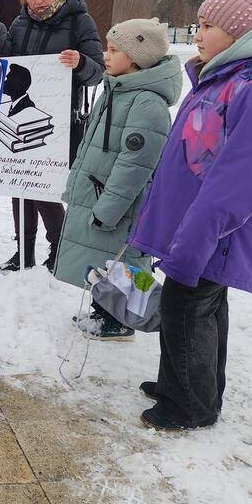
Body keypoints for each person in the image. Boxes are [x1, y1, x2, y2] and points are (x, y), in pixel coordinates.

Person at [129, 0, 252, 431]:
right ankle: (184, 386)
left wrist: (196, 238)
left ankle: (189, 405)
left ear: (242, 32)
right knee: (198, 310)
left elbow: (239, 183)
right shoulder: (221, 78)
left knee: (187, 310)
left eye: (209, 27)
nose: (199, 35)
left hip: (212, 233)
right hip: (192, 227)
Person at [52, 18, 182, 340]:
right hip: (98, 192)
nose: (105, 56)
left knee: (123, 261)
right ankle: (104, 312)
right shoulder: (116, 90)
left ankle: (120, 320)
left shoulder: (146, 103)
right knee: (101, 258)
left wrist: (107, 209)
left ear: (136, 58)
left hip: (120, 205)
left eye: (113, 50)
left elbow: (134, 167)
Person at [0, 0, 105, 273]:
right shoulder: (19, 23)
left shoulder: (79, 21)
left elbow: (97, 72)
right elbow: (11, 63)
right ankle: (23, 250)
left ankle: (59, 247)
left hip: (56, 118)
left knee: (43, 187)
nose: (38, 1)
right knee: (18, 183)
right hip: (20, 110)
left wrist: (80, 62)